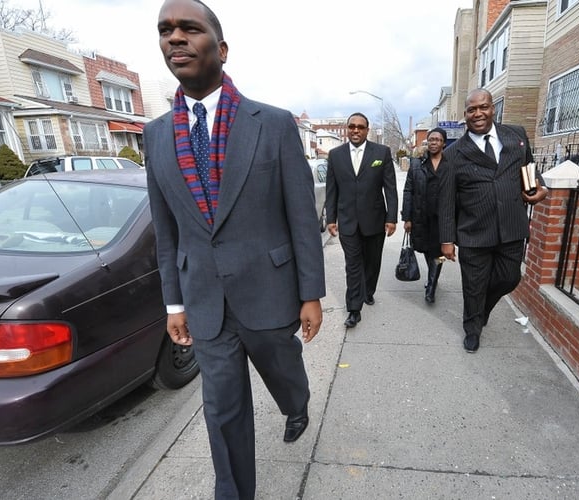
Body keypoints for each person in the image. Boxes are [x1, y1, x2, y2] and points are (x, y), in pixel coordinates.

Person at [144, 1, 325, 498]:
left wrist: (311, 293)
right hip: (204, 301)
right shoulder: (155, 136)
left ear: (220, 49)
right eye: (165, 31)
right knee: (222, 410)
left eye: (189, 29)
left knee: (283, 369)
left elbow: (301, 216)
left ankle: (296, 401)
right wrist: (174, 303)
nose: (174, 38)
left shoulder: (273, 122)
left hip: (269, 289)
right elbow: (167, 229)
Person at [439, 88, 548, 353]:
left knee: (510, 278)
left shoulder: (516, 136)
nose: (478, 114)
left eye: (483, 107)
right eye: (472, 110)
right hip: (474, 231)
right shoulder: (454, 154)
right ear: (465, 115)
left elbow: (528, 168)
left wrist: (538, 187)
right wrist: (446, 240)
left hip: (511, 226)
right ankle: (472, 328)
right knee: (473, 285)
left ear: (493, 108)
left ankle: (481, 310)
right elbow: (446, 201)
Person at [325, 112, 398, 328]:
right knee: (353, 265)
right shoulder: (335, 155)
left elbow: (390, 189)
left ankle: (369, 290)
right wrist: (331, 218)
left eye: (360, 127)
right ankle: (354, 309)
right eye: (352, 126)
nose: (355, 130)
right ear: (347, 129)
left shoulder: (381, 153)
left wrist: (392, 218)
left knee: (372, 262)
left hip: (375, 220)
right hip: (348, 221)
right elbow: (331, 190)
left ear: (367, 130)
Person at [402, 127, 448, 303]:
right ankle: (433, 275)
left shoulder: (450, 164)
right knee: (427, 252)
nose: (434, 142)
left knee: (439, 253)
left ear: (443, 143)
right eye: (431, 139)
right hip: (421, 217)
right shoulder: (416, 164)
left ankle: (431, 286)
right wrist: (407, 217)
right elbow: (408, 190)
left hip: (442, 220)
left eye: (437, 139)